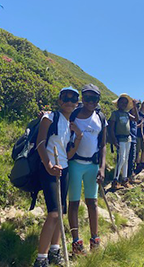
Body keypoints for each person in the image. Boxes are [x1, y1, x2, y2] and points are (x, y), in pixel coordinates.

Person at [34, 87, 82, 267]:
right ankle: (41, 259)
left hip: (64, 169)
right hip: (49, 169)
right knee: (54, 214)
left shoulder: (70, 124)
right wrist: (48, 166)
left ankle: (54, 250)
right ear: (60, 101)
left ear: (77, 103)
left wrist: (78, 136)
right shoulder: (50, 117)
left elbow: (68, 155)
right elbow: (40, 143)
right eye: (65, 98)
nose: (69, 102)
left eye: (73, 99)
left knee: (60, 213)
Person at [67, 84, 107, 255]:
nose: (90, 102)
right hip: (75, 164)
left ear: (98, 100)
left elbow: (103, 144)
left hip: (92, 165)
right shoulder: (73, 115)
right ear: (82, 98)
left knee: (93, 202)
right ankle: (76, 242)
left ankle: (95, 239)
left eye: (94, 98)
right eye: (87, 98)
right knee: (74, 203)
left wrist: (103, 167)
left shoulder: (100, 117)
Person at [109, 93, 138, 190]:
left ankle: (124, 179)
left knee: (125, 160)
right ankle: (115, 180)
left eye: (125, 103)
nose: (123, 104)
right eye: (122, 102)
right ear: (118, 103)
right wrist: (114, 140)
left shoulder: (126, 114)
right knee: (121, 159)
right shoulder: (115, 114)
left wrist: (135, 106)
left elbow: (136, 119)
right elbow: (111, 128)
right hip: (120, 139)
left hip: (127, 139)